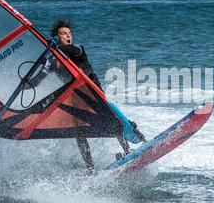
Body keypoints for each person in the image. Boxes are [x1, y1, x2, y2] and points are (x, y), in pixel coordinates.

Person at [49, 20, 145, 174]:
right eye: (63, 34)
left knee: (113, 121)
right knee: (79, 133)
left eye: (69, 33)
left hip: (93, 91)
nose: (68, 36)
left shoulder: (77, 49)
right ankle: (91, 169)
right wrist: (28, 83)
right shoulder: (54, 59)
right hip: (75, 97)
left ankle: (128, 149)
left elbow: (73, 51)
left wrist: (56, 47)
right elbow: (42, 73)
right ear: (56, 37)